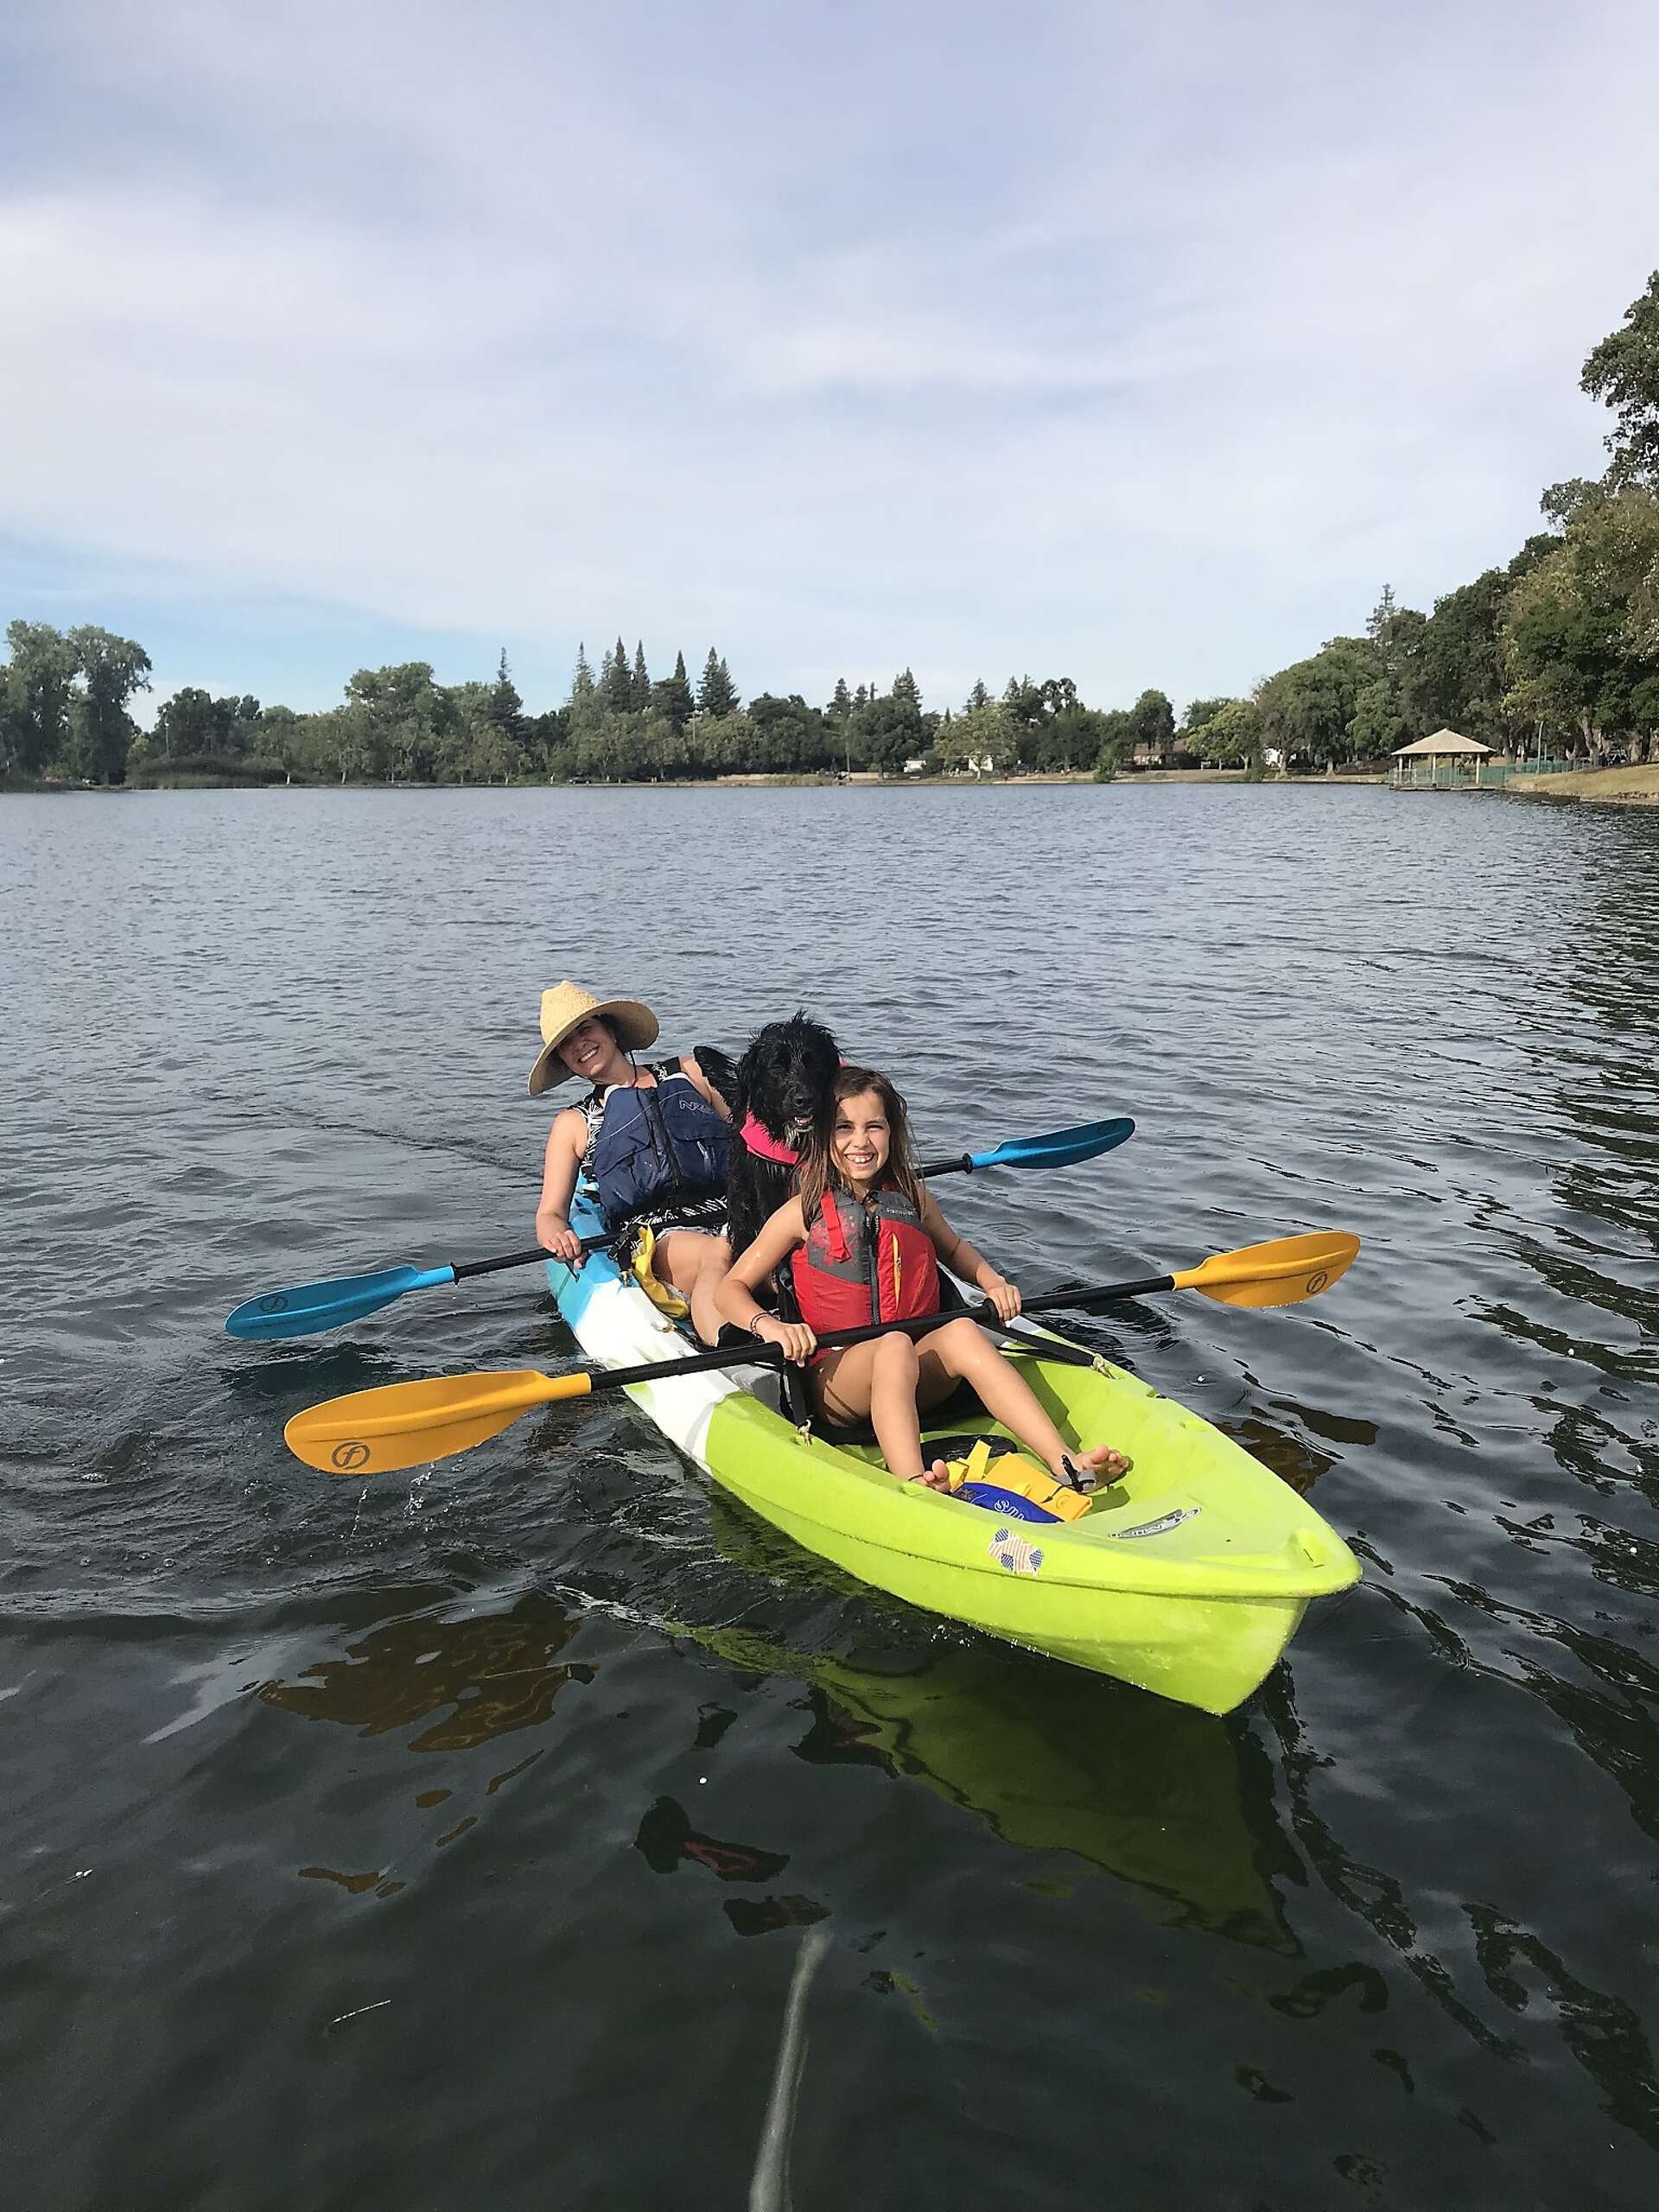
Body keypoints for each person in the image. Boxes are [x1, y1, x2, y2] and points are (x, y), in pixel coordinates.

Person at [715, 1066, 1128, 1491]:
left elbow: (955, 1249)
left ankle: (1066, 1463)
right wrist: (770, 1326)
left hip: (915, 1370)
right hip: (838, 1382)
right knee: (893, 1346)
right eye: (844, 1128)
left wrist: (993, 1283)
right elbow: (730, 1289)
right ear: (822, 1135)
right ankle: (914, 1484)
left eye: (874, 1127)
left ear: (892, 1132)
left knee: (962, 1331)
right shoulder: (801, 1212)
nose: (860, 1141)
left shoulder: (912, 1198)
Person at [531, 982, 733, 1344]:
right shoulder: (573, 1124)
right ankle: (730, 1345)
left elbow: (752, 1141)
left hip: (733, 1212)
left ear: (611, 1030)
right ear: (563, 1060)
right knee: (718, 1253)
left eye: (585, 1029)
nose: (579, 1044)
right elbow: (550, 1214)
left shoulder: (692, 1073)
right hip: (655, 1236)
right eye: (566, 1043)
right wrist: (557, 1237)